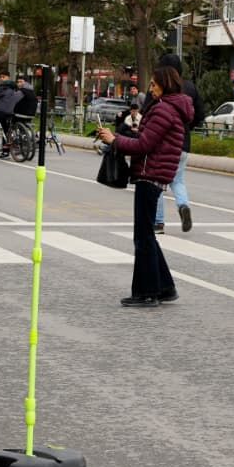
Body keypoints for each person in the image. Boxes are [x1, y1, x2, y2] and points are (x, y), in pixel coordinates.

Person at [96, 63, 192, 307]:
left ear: (165, 85)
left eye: (153, 84)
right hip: (156, 174)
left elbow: (144, 146)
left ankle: (146, 292)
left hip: (150, 175)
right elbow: (144, 140)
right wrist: (117, 138)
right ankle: (165, 288)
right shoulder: (173, 109)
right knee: (147, 234)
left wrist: (115, 139)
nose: (150, 89)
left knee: (143, 237)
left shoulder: (163, 110)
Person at [153, 53, 206, 234]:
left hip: (163, 142)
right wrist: (187, 127)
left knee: (157, 181)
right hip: (184, 141)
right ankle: (183, 205)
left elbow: (150, 111)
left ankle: (158, 222)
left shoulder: (162, 85)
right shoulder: (190, 87)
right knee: (178, 180)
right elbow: (200, 113)